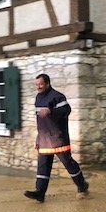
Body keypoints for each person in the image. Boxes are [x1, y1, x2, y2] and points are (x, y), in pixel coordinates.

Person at [24, 73, 89, 202]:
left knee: (68, 163)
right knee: (42, 166)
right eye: (36, 84)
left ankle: (82, 186)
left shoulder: (58, 96)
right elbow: (40, 121)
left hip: (58, 138)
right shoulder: (38, 98)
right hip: (44, 139)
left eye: (40, 84)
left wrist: (50, 111)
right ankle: (40, 192)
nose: (38, 87)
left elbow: (66, 110)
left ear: (48, 83)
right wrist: (38, 138)